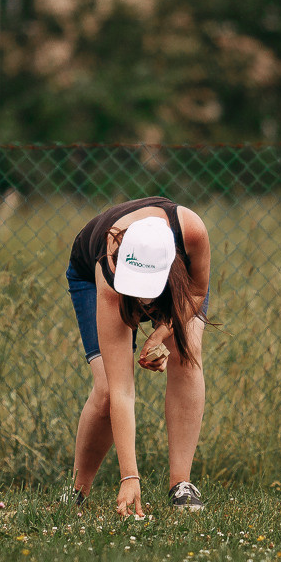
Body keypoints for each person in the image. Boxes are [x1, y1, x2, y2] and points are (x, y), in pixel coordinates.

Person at [64, 196, 211, 516]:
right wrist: (129, 476)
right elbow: (122, 390)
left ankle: (181, 484)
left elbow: (197, 293)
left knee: (187, 353)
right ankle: (75, 491)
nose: (144, 307)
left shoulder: (192, 233)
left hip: (179, 281)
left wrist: (161, 334)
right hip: (91, 277)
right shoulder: (110, 273)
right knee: (105, 391)